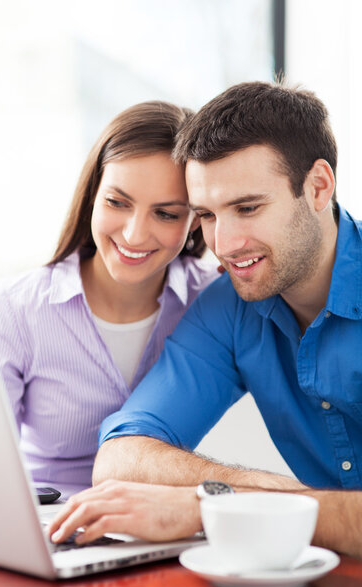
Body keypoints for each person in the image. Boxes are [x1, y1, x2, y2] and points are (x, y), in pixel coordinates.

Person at [48, 81, 362, 559]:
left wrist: (209, 506)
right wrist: (251, 497)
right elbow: (121, 458)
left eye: (248, 207)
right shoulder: (230, 303)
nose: (226, 244)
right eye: (207, 215)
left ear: (317, 187)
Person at [0, 101, 218, 498]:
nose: (135, 235)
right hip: (49, 524)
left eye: (166, 214)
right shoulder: (14, 308)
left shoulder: (213, 301)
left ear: (196, 219)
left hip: (164, 523)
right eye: (117, 203)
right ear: (92, 195)